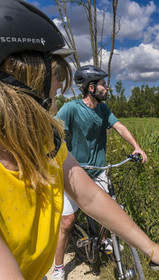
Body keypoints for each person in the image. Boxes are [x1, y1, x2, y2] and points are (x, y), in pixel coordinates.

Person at [0, 1, 159, 280]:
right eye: (54, 74)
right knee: (66, 221)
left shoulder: (45, 145)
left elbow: (89, 194)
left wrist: (151, 248)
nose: (59, 85)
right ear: (19, 73)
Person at [52, 65, 148, 279]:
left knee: (110, 214)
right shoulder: (71, 109)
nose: (108, 88)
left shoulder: (103, 110)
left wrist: (137, 146)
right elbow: (54, 131)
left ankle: (103, 240)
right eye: (104, 84)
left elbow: (119, 126)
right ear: (92, 87)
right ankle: (58, 268)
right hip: (74, 174)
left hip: (99, 172)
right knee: (67, 222)